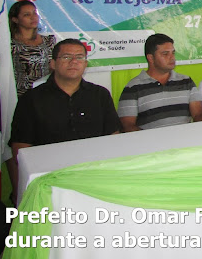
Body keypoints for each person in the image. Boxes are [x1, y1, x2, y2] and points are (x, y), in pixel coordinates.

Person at [8, 38, 121, 201]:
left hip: (95, 177)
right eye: (67, 57)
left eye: (80, 57)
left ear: (86, 64)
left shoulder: (100, 95)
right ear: (53, 63)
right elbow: (20, 148)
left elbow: (113, 136)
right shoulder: (32, 99)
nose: (74, 62)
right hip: (50, 181)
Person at [117, 33, 202, 131]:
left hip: (185, 141)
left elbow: (199, 114)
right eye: (165, 54)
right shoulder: (132, 88)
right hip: (150, 144)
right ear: (150, 58)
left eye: (173, 53)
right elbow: (128, 125)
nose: (172, 57)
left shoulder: (186, 82)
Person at [8, 0, 56, 97]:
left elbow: (54, 67)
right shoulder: (11, 44)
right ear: (15, 19)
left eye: (35, 13)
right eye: (27, 14)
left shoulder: (48, 41)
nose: (33, 17)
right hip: (22, 95)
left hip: (46, 93)